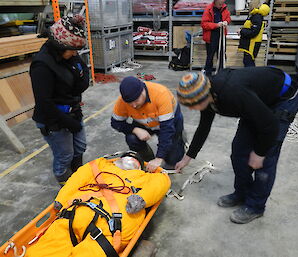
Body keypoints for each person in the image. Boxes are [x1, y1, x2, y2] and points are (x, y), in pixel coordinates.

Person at [175, 68, 298, 224]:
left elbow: (270, 126)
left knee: (265, 160)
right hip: (255, 99)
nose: (191, 109)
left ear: (204, 96)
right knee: (239, 153)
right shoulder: (207, 92)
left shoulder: (233, 93)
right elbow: (204, 126)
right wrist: (188, 158)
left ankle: (256, 206)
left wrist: (259, 153)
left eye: (192, 105)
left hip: (283, 96)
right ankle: (242, 193)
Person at [26, 152, 170, 257]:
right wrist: (62, 198)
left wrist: (140, 198)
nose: (130, 161)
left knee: (90, 252)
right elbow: (78, 177)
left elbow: (162, 182)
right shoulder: (100, 165)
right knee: (40, 252)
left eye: (134, 160)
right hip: (74, 213)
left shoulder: (147, 177)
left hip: (111, 225)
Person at [30, 14, 89, 186]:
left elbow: (81, 80)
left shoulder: (69, 56)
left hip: (71, 111)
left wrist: (73, 117)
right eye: (72, 50)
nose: (75, 54)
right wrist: (68, 123)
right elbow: (44, 103)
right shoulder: (42, 65)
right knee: (65, 155)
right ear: (60, 45)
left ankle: (77, 173)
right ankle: (64, 179)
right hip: (52, 119)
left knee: (80, 147)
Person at [111, 76, 185, 173]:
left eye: (136, 100)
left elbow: (167, 130)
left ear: (143, 91)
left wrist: (159, 158)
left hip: (170, 122)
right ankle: (148, 160)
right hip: (144, 122)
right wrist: (135, 130)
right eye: (130, 103)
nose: (133, 105)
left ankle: (179, 140)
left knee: (172, 160)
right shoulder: (122, 102)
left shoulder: (161, 94)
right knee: (132, 139)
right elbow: (115, 122)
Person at [201, 0, 231, 76]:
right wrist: (216, 25)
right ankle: (208, 74)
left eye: (222, 3)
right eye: (220, 3)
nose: (221, 5)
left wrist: (226, 21)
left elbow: (228, 17)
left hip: (221, 35)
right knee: (210, 56)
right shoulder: (208, 9)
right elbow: (204, 24)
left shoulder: (224, 8)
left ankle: (221, 74)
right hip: (211, 36)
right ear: (215, 1)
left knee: (222, 55)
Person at [238, 0, 270, 67]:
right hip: (249, 44)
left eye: (250, 4)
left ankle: (251, 77)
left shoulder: (256, 17)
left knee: (249, 63)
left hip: (251, 44)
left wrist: (242, 31)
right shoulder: (253, 15)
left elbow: (254, 32)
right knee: (247, 62)